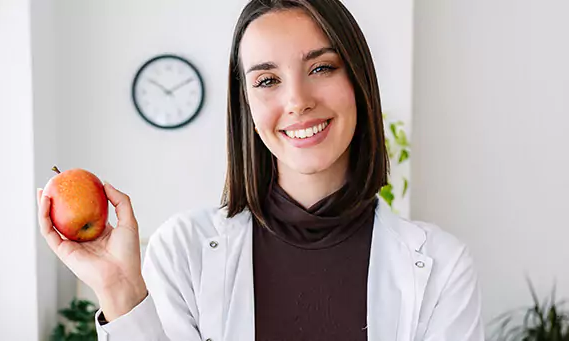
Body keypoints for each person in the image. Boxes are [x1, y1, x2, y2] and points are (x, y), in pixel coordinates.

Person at [36, 0, 484, 340]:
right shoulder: (182, 251)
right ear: (246, 106)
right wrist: (119, 291)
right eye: (268, 80)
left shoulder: (442, 268)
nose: (297, 100)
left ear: (358, 82)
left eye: (322, 67)